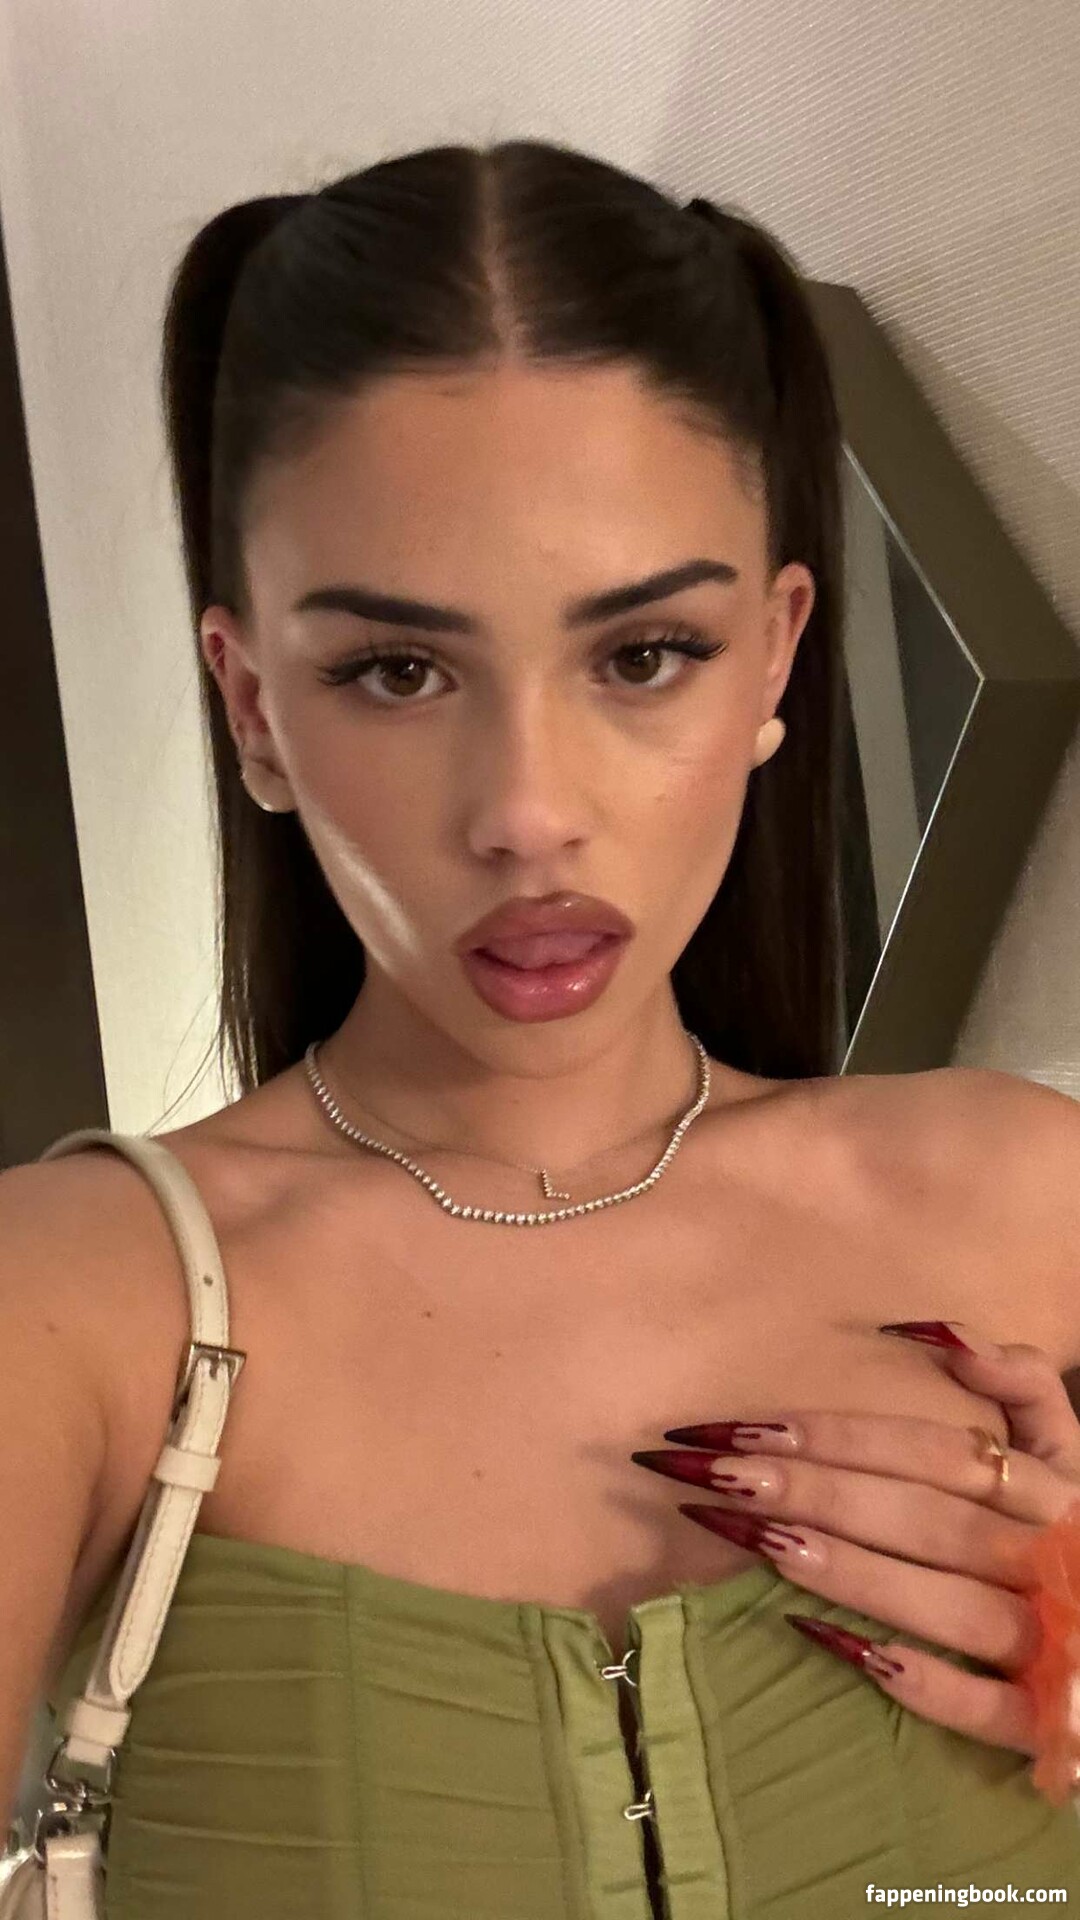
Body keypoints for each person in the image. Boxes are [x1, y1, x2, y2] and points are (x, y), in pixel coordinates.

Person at [2, 138, 1080, 1918]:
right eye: (397, 671)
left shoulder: (1029, 1202)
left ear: (775, 658)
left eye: (644, 654)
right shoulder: (75, 1310)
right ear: (253, 709)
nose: (528, 813)